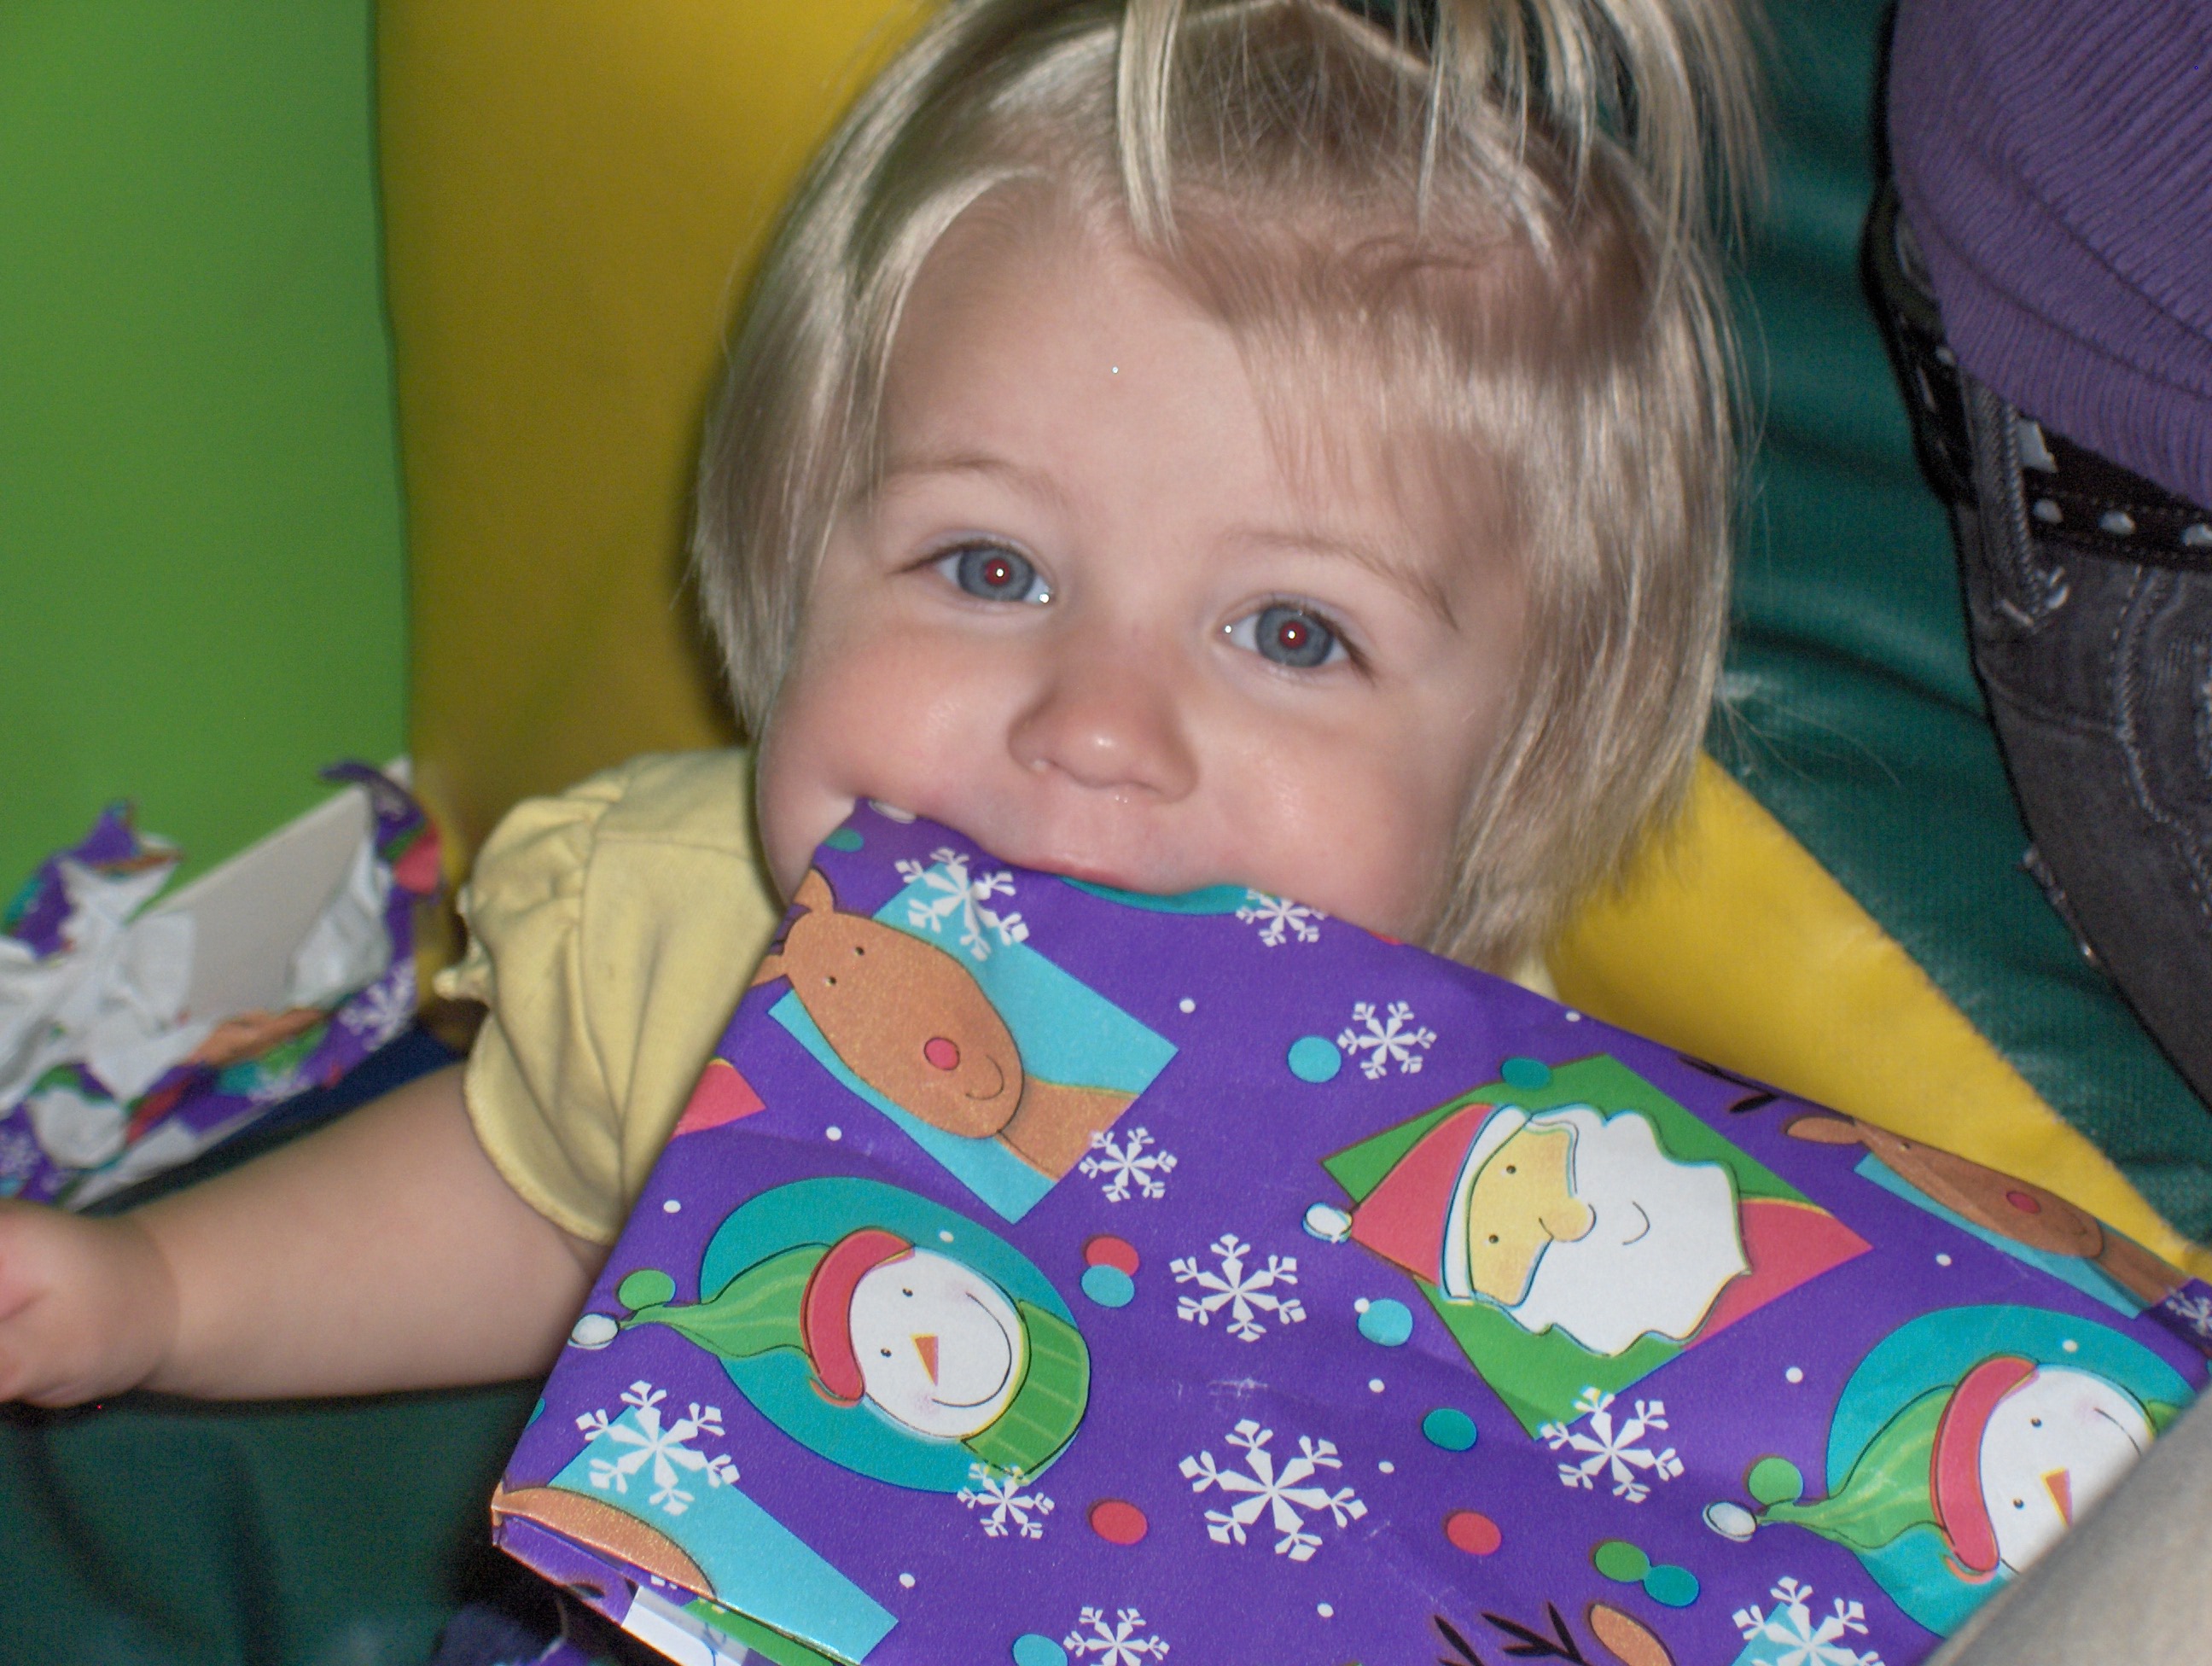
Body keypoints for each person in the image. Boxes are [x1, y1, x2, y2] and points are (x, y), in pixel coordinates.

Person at [0, 0, 1759, 1422]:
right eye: (990, 567)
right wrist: (161, 1296)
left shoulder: (1501, 1165)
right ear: (791, 568)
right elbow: (547, 1216)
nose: (1096, 725)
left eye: (1293, 632)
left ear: (1524, 760)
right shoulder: (683, 934)